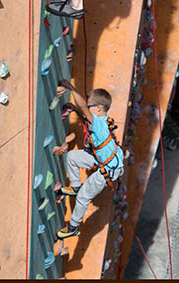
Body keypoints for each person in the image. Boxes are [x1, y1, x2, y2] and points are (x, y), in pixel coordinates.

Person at [55, 79, 125, 239]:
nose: (88, 109)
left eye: (90, 106)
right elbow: (86, 116)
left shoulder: (99, 123)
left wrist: (70, 86)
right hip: (104, 160)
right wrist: (73, 108)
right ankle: (75, 186)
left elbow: (84, 109)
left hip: (107, 169)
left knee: (83, 198)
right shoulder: (102, 121)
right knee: (72, 157)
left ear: (99, 108)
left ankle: (73, 227)